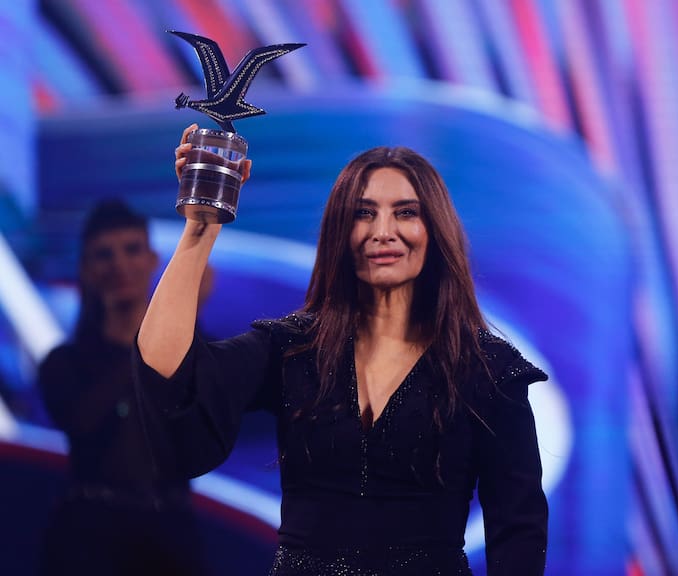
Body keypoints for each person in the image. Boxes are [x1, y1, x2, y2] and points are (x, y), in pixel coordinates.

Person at [135, 123, 548, 575]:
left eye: (406, 213)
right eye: (363, 213)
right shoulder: (292, 348)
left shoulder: (488, 370)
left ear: (435, 230)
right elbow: (164, 368)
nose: (383, 231)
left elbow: (518, 531)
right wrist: (200, 228)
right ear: (339, 231)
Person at [38, 200, 208, 576]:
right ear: (86, 269)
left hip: (172, 534)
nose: (119, 265)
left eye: (131, 249)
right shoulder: (64, 363)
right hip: (89, 539)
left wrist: (183, 318)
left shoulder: (195, 349)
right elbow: (80, 420)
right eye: (104, 255)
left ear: (152, 259)